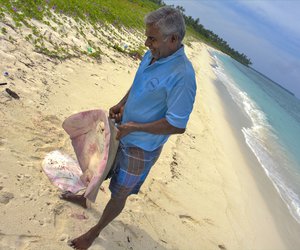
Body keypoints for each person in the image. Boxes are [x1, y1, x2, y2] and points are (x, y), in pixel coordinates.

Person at [64, 6, 197, 249]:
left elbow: (177, 125)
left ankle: (94, 232)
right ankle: (84, 198)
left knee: (119, 193)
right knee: (101, 167)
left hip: (142, 148)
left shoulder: (183, 76)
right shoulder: (155, 53)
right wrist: (122, 103)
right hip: (122, 130)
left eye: (152, 38)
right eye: (147, 36)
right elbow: (139, 84)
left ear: (173, 39)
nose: (147, 43)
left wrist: (136, 127)